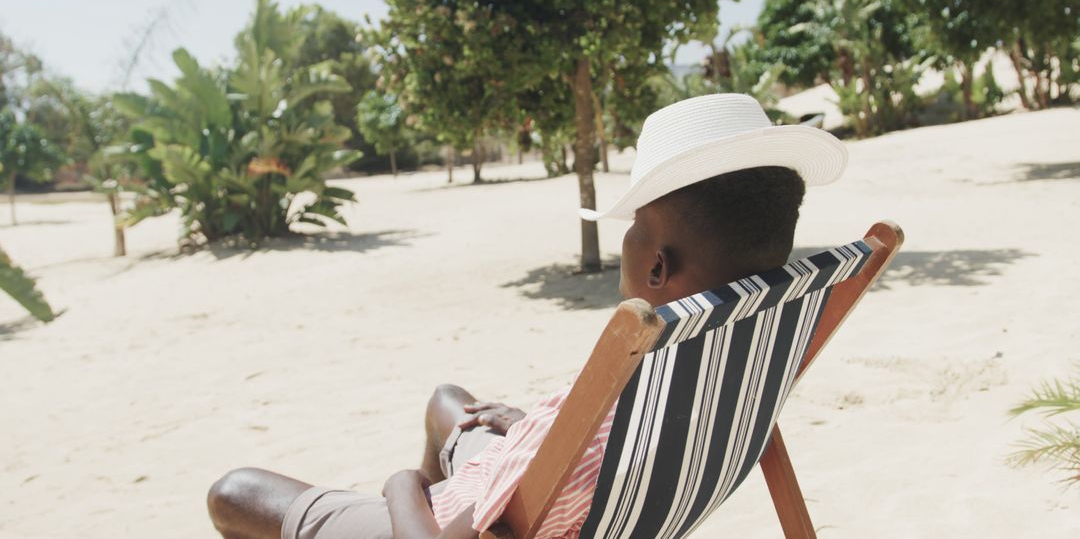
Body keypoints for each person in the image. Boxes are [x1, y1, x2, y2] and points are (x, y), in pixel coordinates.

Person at [206, 94, 847, 539]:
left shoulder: (642, 340)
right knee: (448, 401)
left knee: (234, 492)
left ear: (656, 267)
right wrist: (540, 430)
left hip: (481, 524)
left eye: (631, 230)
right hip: (562, 481)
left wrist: (403, 486)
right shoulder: (744, 344)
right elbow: (597, 447)